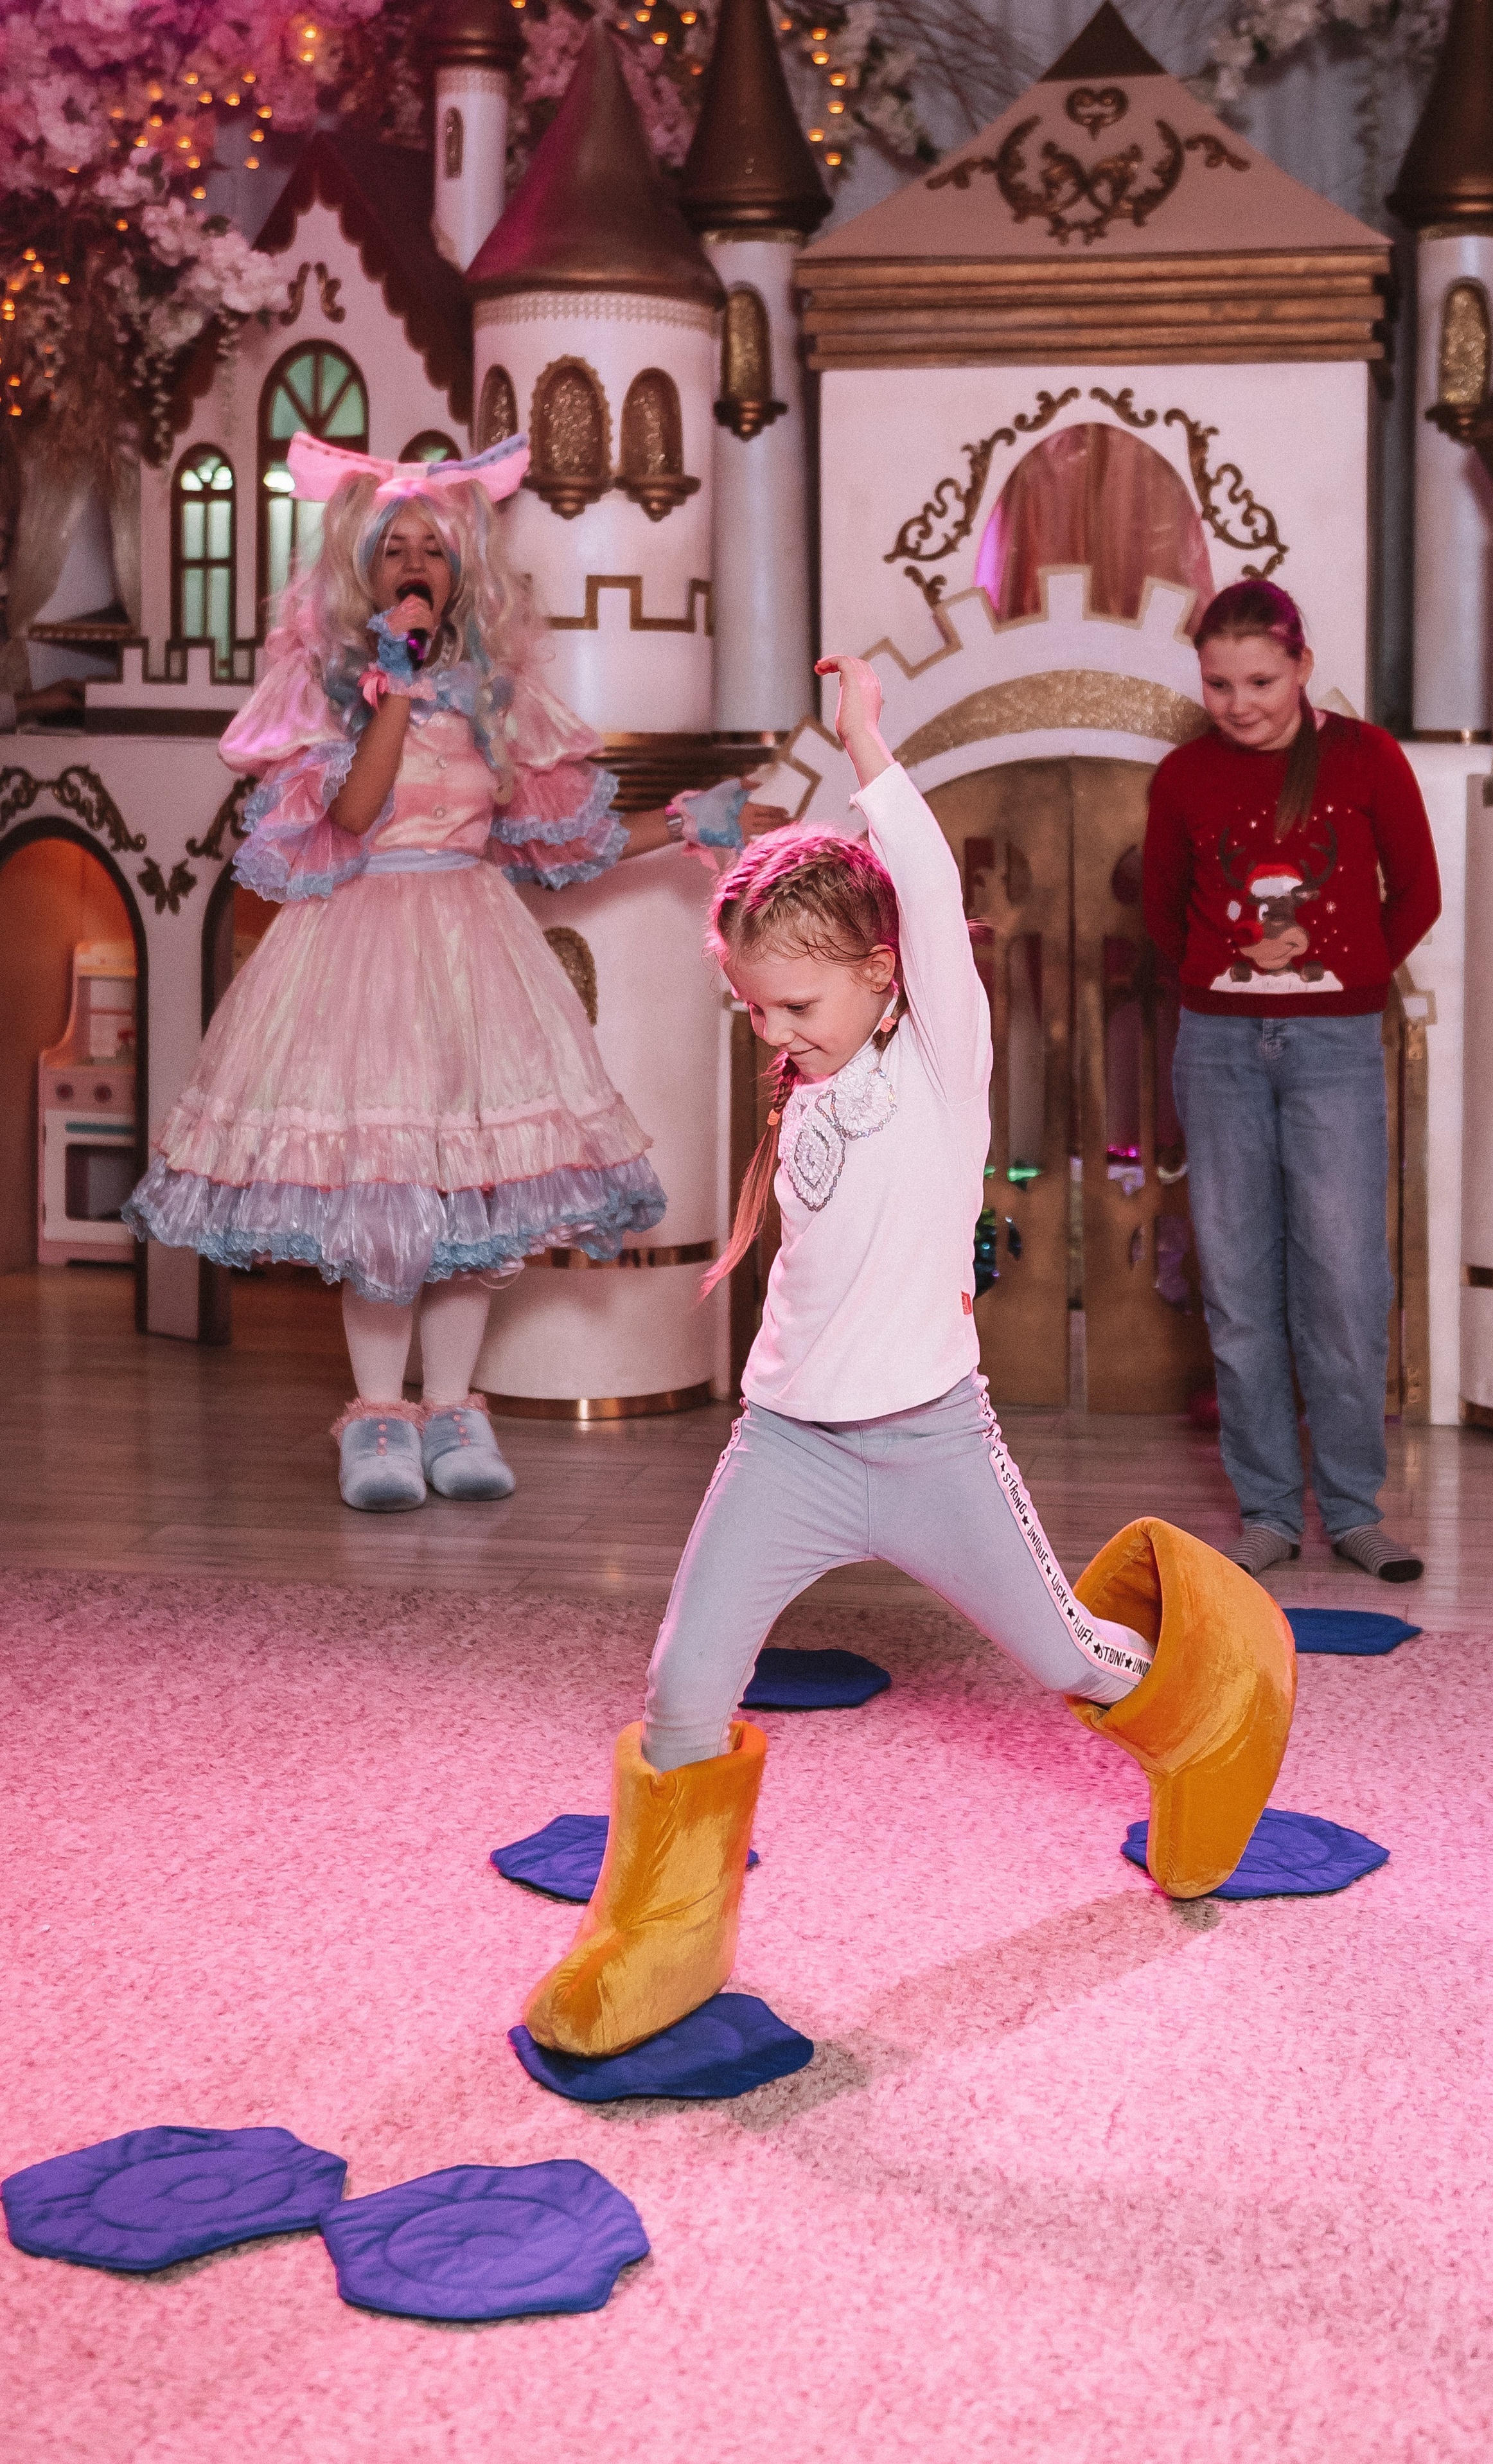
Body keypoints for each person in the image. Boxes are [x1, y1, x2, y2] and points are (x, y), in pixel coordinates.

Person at [520, 654, 1294, 2062]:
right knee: (686, 1680)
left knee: (1063, 1649)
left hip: (931, 1442)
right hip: (786, 1449)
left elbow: (926, 897)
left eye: (799, 1008)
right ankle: (660, 1930)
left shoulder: (939, 1066)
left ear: (882, 982)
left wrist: (872, 752)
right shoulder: (803, 1088)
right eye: (756, 1010)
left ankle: (1220, 1698)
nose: (778, 1034)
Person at [124, 433, 748, 1513]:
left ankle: (456, 1412)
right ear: (364, 569)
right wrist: (394, 690)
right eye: (394, 544)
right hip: (360, 949)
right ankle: (378, 1423)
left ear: (461, 573)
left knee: (466, 1210)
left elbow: (553, 847)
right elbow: (353, 817)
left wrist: (687, 822)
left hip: (475, 953)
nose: (415, 560)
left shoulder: (490, 698)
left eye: (434, 547)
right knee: (381, 1206)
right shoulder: (332, 693)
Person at [1143, 579, 1442, 1584]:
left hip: (1335, 1049)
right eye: (1219, 683)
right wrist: (1223, 984)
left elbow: (1421, 892)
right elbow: (1161, 909)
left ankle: (1355, 1510)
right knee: (1236, 1286)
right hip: (1217, 1049)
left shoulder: (1366, 760)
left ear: (1303, 667)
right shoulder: (1183, 776)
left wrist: (1345, 979)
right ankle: (1269, 1512)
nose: (1240, 702)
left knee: (1347, 1284)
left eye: (1261, 679)